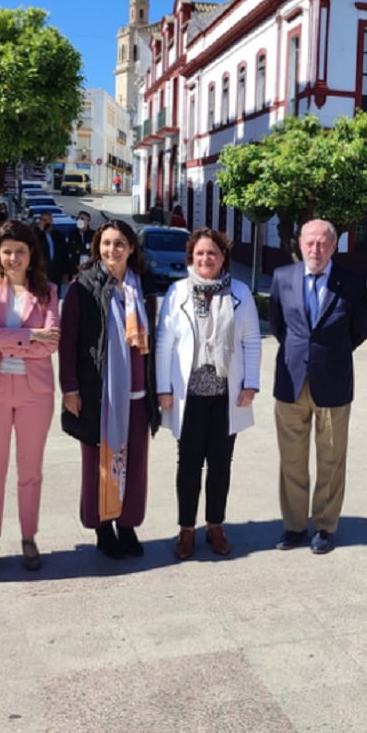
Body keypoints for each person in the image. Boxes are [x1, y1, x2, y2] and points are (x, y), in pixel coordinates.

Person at [0, 220, 61, 576]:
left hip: (36, 393)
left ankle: (29, 537)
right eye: (7, 252)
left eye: (20, 251)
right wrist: (30, 335)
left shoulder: (47, 291)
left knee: (30, 471)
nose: (14, 257)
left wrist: (8, 340)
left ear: (32, 253)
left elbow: (52, 343)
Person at [154, 228, 261, 559]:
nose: (206, 259)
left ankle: (215, 525)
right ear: (191, 257)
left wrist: (251, 384)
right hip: (188, 394)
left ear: (223, 257)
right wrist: (163, 389)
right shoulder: (176, 293)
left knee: (220, 464)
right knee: (188, 464)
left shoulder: (240, 292)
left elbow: (252, 341)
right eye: (200, 253)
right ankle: (186, 530)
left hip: (225, 394)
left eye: (212, 253)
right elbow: (164, 343)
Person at [59, 219, 160, 560]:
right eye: (106, 243)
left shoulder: (143, 286)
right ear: (97, 247)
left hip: (138, 394)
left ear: (131, 248)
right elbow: (68, 342)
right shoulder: (82, 287)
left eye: (119, 244)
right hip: (99, 395)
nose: (112, 250)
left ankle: (127, 526)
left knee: (135, 465)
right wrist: (70, 388)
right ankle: (103, 527)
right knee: (100, 464)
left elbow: (155, 342)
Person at [268, 219, 367, 554]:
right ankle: (294, 525)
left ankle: (325, 526)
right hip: (291, 379)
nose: (316, 249)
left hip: (334, 382)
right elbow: (279, 326)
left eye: (323, 243)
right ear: (299, 244)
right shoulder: (283, 278)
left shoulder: (353, 282)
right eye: (310, 242)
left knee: (331, 459)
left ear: (334, 245)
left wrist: (329, 356)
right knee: (292, 459)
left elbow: (359, 331)